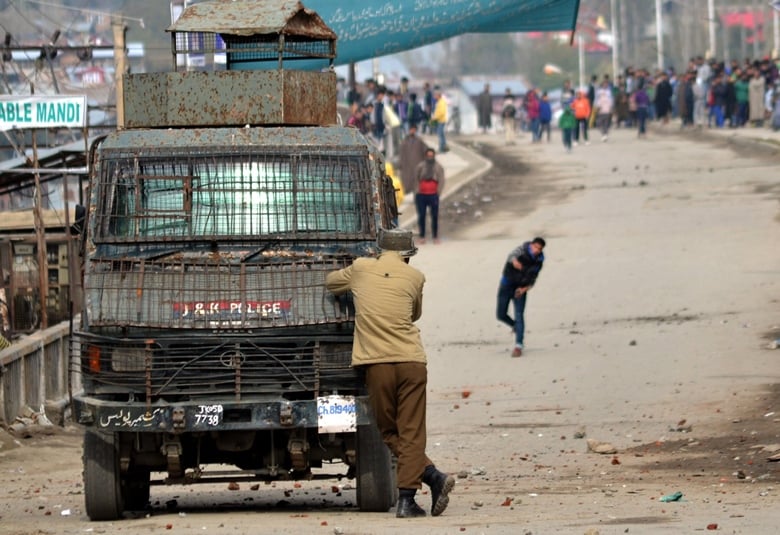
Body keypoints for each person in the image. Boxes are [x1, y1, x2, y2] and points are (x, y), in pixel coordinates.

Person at [325, 228, 455, 518]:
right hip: (412, 362)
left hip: (378, 363)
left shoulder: (360, 268)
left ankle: (428, 480)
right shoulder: (415, 276)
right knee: (412, 432)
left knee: (389, 431)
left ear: (378, 250)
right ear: (407, 256)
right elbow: (414, 314)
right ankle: (418, 490)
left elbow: (332, 283)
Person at [496, 237, 546, 357]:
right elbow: (511, 256)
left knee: (519, 315)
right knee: (501, 314)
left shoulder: (539, 261)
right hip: (506, 285)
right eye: (535, 247)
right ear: (531, 245)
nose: (536, 250)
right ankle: (514, 326)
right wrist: (514, 261)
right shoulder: (521, 250)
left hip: (520, 288)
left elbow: (533, 278)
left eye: (539, 249)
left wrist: (524, 289)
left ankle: (518, 345)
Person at [414, 148, 445, 244]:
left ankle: (435, 236)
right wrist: (417, 191)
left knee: (435, 216)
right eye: (428, 155)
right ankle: (422, 236)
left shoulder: (438, 167)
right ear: (425, 156)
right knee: (421, 216)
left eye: (432, 156)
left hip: (433, 195)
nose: (430, 157)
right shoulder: (420, 166)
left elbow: (441, 180)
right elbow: (416, 179)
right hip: (421, 195)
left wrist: (438, 192)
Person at [398, 123, 429, 198]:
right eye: (411, 129)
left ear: (415, 130)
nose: (412, 131)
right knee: (407, 183)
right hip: (407, 166)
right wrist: (401, 164)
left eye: (413, 129)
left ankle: (417, 198)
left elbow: (426, 150)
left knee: (417, 183)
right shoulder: (404, 141)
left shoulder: (419, 141)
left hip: (417, 164)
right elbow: (401, 154)